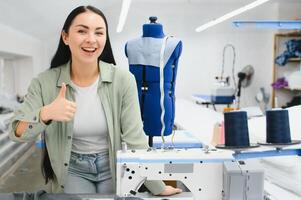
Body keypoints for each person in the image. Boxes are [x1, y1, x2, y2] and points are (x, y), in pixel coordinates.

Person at [9, 5, 182, 196]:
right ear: (65, 37)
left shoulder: (122, 80)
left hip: (113, 164)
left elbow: (135, 139)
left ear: (105, 39)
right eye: (82, 31)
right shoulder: (44, 83)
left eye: (99, 33)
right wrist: (46, 114)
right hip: (72, 169)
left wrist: (158, 186)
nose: (91, 39)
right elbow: (17, 132)